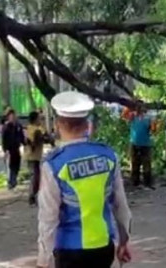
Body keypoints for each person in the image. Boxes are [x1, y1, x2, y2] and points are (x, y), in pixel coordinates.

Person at [37, 92, 132, 268]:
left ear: (58, 125)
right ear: (87, 125)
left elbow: (48, 217)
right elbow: (121, 205)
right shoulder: (108, 156)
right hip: (103, 247)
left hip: (69, 251)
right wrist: (124, 241)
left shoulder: (54, 164)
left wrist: (44, 260)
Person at [129, 105, 153, 188]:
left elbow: (152, 130)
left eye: (141, 107)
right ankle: (135, 182)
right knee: (135, 162)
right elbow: (125, 115)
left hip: (145, 143)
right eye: (138, 107)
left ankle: (147, 182)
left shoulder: (148, 119)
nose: (139, 109)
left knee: (146, 163)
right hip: (135, 142)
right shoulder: (132, 116)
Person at [25, 111, 45, 205]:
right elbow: (31, 142)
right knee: (35, 177)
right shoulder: (31, 129)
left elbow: (45, 137)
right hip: (32, 157)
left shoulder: (38, 129)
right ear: (35, 119)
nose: (40, 120)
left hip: (36, 157)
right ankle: (32, 196)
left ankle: (34, 195)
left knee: (37, 177)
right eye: (39, 118)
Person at [1, 109, 24, 189]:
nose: (13, 117)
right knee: (10, 166)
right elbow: (3, 139)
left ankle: (14, 180)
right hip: (9, 149)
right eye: (11, 116)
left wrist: (25, 143)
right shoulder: (6, 127)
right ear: (8, 117)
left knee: (17, 165)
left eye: (14, 115)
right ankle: (11, 182)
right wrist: (5, 150)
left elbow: (21, 137)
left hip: (16, 148)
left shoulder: (18, 126)